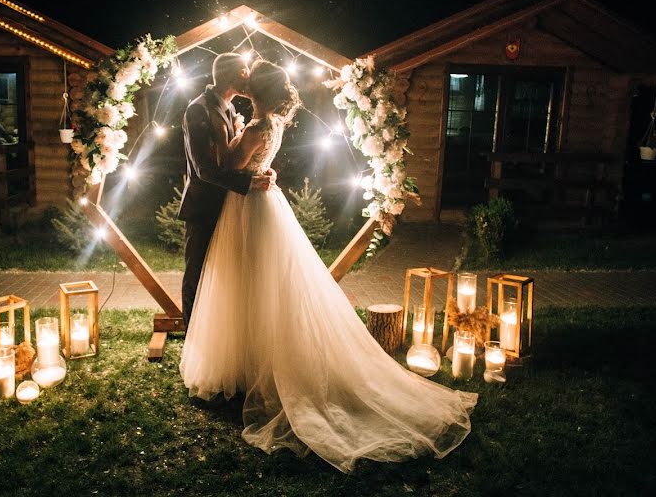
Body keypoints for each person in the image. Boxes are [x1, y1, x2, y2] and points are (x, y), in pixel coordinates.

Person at [179, 59, 478, 473]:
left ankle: (249, 364)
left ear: (258, 90)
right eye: (242, 75)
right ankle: (246, 360)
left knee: (247, 282)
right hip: (250, 204)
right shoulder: (250, 120)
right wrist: (256, 172)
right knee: (248, 284)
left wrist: (251, 169)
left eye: (251, 79)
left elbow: (228, 165)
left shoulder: (252, 125)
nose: (245, 81)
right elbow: (209, 168)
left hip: (248, 210)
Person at [177, 52, 276, 332]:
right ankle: (193, 336)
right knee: (197, 274)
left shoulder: (229, 107)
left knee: (224, 276)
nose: (249, 76)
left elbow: (237, 156)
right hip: (204, 206)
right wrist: (247, 184)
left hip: (228, 204)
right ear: (228, 75)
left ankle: (217, 334)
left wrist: (261, 170)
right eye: (244, 70)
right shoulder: (198, 110)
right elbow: (203, 170)